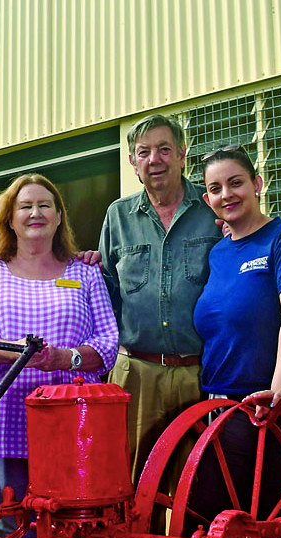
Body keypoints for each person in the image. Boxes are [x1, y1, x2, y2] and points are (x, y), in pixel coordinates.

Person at [0, 173, 119, 538]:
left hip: (72, 416)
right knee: (13, 528)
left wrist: (63, 358)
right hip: (5, 410)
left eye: (45, 205)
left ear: (59, 216)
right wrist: (24, 354)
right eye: (24, 206)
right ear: (9, 218)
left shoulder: (85, 271)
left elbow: (108, 342)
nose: (35, 213)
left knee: (73, 525)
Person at [189, 145, 281, 524]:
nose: (226, 194)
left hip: (276, 408)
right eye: (215, 188)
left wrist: (280, 395)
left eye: (236, 183)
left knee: (244, 528)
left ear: (257, 184)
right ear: (207, 199)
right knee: (198, 526)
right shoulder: (218, 253)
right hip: (222, 409)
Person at [98, 114, 222, 490]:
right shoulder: (117, 216)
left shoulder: (212, 210)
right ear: (133, 164)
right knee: (132, 488)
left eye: (164, 149)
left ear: (183, 154)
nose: (155, 159)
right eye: (144, 152)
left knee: (197, 488)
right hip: (136, 372)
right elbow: (105, 290)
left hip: (201, 374)